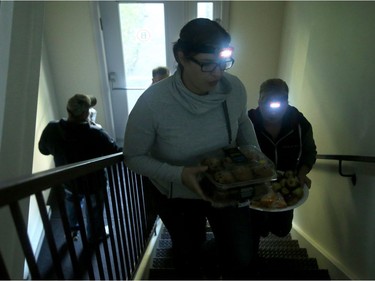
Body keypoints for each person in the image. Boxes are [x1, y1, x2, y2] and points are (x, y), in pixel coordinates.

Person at [123, 18, 260, 279]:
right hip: (177, 195)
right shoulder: (152, 103)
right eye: (207, 64)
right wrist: (180, 174)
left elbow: (242, 121)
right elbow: (133, 157)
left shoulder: (234, 89)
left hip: (226, 184)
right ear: (181, 57)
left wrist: (254, 154)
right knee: (188, 255)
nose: (218, 74)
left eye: (223, 64)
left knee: (241, 254)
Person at [39, 94, 121, 244]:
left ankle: (72, 231)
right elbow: (115, 151)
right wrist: (98, 128)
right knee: (94, 208)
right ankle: (95, 235)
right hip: (94, 183)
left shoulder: (52, 128)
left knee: (72, 203)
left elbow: (43, 149)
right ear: (85, 114)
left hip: (68, 180)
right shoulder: (96, 133)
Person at [247, 78, 317, 252]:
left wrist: (302, 172)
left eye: (278, 102)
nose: (272, 108)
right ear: (259, 101)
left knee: (281, 230)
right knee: (254, 229)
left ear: (286, 102)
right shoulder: (247, 122)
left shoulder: (299, 123)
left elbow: (310, 151)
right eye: (266, 101)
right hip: (255, 185)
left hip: (286, 184)